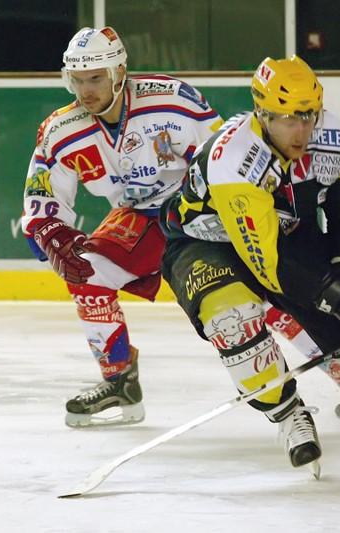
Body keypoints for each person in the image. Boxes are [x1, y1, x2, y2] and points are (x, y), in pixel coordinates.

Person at [159, 55, 340, 472]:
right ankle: (289, 416)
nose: (301, 130)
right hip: (205, 243)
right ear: (262, 113)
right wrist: (335, 290)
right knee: (232, 319)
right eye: (287, 119)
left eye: (308, 116)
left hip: (282, 230)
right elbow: (268, 265)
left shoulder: (329, 132)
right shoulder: (235, 160)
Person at [21, 27, 221, 428]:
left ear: (119, 72)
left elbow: (223, 158)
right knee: (84, 271)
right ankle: (119, 381)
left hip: (197, 209)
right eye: (77, 80)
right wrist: (51, 233)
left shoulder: (171, 100)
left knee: (260, 286)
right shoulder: (61, 131)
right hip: (140, 217)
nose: (85, 90)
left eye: (95, 78)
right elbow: (41, 201)